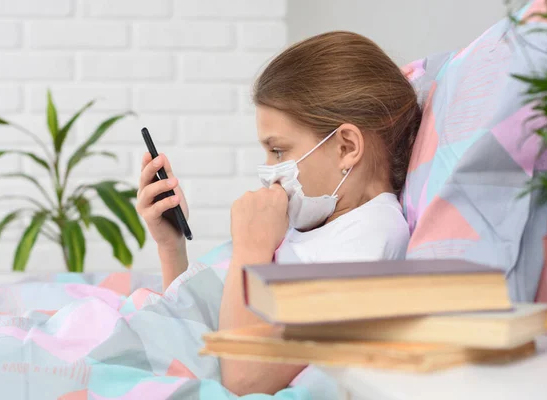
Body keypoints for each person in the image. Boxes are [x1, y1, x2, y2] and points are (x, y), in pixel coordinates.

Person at [136, 31, 421, 396]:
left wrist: (251, 249)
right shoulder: (322, 221)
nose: (268, 170)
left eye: (279, 151)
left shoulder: (371, 239)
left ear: (346, 147)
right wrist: (171, 247)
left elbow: (244, 379)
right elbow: (201, 332)